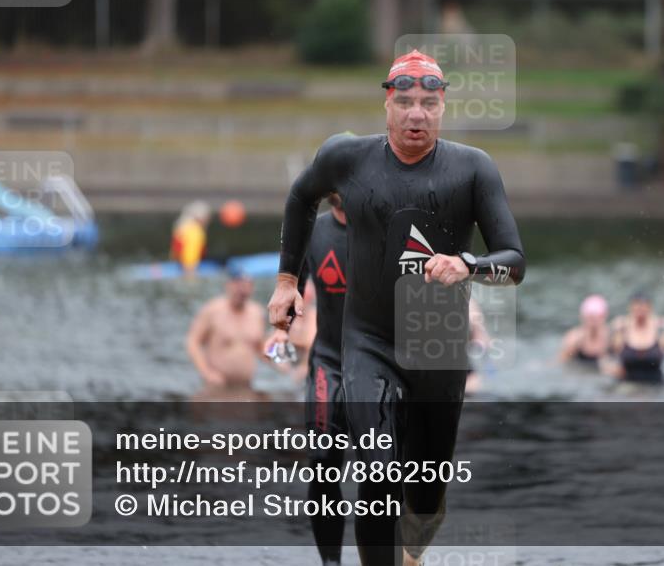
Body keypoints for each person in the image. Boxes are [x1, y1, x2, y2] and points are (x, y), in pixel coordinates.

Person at [267, 49, 525, 566]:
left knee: (425, 495)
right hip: (369, 340)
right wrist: (287, 281)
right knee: (377, 470)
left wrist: (468, 264)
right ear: (387, 106)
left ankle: (414, 546)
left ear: (443, 107)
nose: (416, 114)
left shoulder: (473, 169)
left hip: (437, 336)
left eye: (428, 103)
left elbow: (514, 262)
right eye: (405, 102)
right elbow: (300, 198)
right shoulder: (348, 159)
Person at [265, 192, 348, 566]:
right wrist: (283, 330)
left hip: (378, 365)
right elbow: (292, 287)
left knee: (383, 468)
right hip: (328, 363)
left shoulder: (381, 226)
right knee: (323, 465)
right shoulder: (315, 231)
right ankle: (330, 561)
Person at [185, 268, 267, 394]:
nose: (242, 290)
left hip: (246, 387)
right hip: (217, 387)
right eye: (238, 285)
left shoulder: (257, 313)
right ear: (228, 285)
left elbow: (260, 349)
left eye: (247, 286)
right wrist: (207, 373)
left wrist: (284, 364)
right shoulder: (212, 310)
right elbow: (192, 342)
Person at [601, 289, 664, 384]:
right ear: (630, 307)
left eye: (644, 305)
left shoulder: (662, 328)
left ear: (650, 307)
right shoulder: (619, 327)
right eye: (637, 304)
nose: (640, 308)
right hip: (626, 384)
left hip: (655, 385)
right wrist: (611, 368)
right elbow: (604, 359)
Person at [557, 294, 610, 368]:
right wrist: (573, 347)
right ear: (583, 317)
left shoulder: (610, 336)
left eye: (598, 317)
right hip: (580, 372)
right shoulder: (574, 337)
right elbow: (561, 361)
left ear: (604, 317)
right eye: (590, 318)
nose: (594, 322)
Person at [171, 200, 212, 279]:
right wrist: (191, 275)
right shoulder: (195, 232)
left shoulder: (182, 227)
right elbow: (190, 257)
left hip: (178, 266)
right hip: (187, 270)